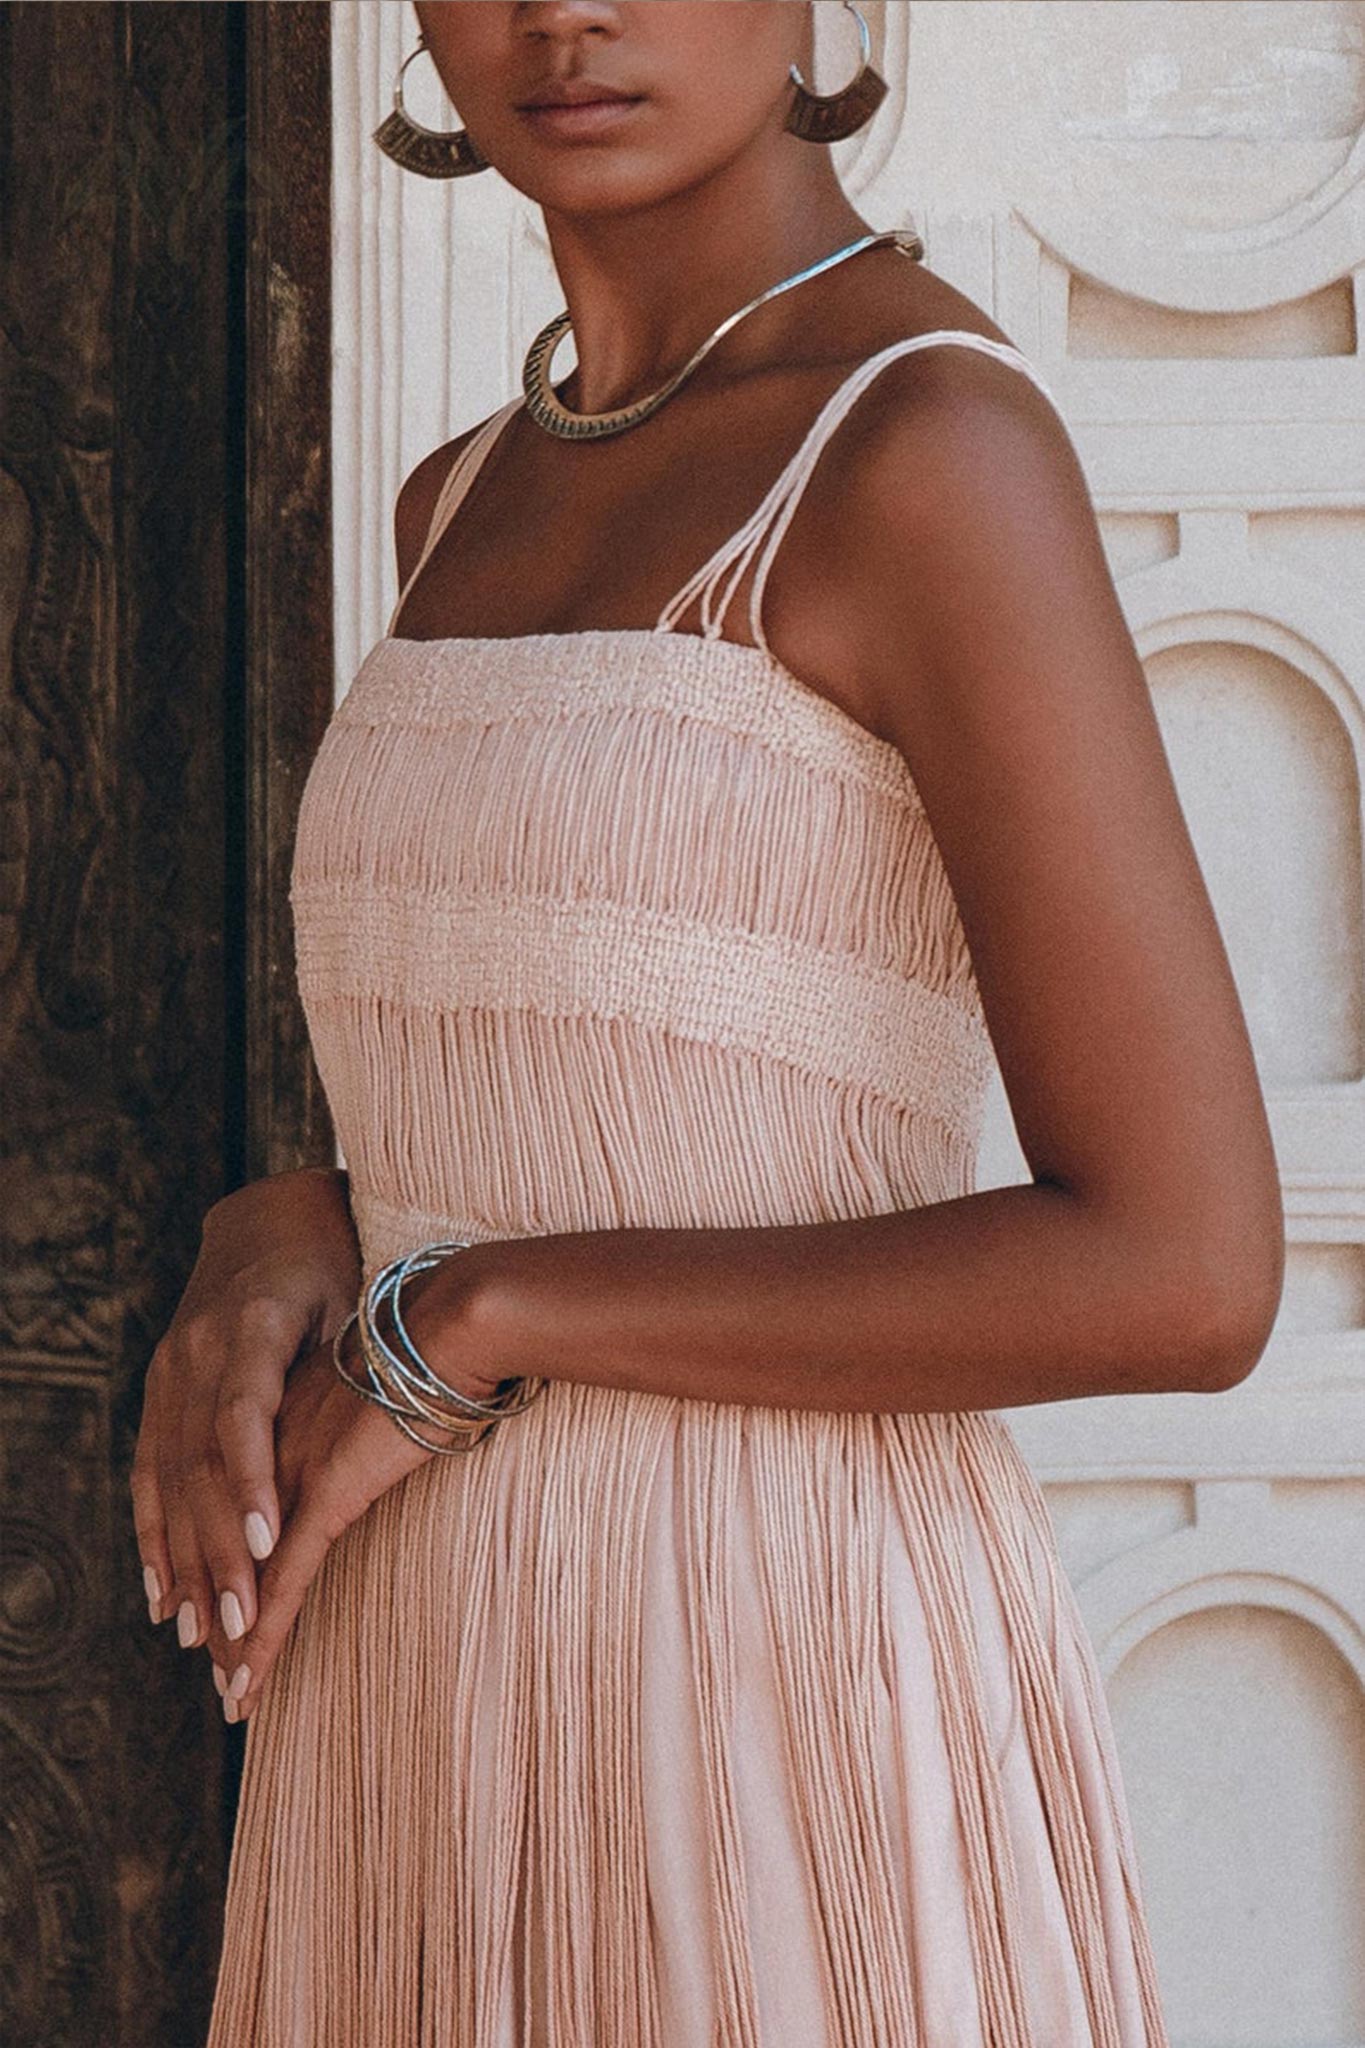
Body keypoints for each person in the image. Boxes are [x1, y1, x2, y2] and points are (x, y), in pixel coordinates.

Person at [132, 4, 1284, 2042]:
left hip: (769, 1668)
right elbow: (562, 1077)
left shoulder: (924, 447)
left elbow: (1178, 1270)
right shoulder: (460, 494)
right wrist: (295, 1217)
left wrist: (476, 1317)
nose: (563, 15)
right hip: (423, 1677)